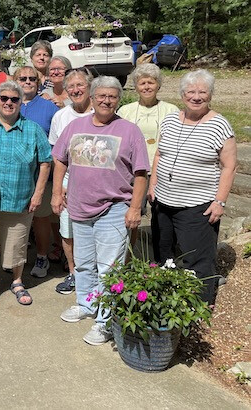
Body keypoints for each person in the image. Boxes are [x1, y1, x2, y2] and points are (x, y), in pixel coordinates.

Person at [52, 76, 150, 345]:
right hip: (79, 207)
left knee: (109, 269)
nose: (107, 100)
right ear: (92, 98)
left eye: (113, 96)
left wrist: (134, 208)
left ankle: (105, 321)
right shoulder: (75, 126)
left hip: (114, 209)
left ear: (119, 99)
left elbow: (141, 173)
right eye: (102, 96)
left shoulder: (130, 130)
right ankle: (86, 304)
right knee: (83, 264)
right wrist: (57, 192)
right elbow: (60, 159)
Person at [149, 69, 237, 306]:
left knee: (197, 260)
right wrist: (153, 184)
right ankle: (166, 299)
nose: (196, 96)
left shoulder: (219, 125)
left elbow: (229, 167)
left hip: (198, 205)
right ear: (182, 94)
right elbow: (159, 154)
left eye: (202, 92)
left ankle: (199, 306)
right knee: (163, 253)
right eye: (191, 91)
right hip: (163, 202)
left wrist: (219, 202)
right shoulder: (170, 119)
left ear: (210, 95)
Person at [0, 81, 52, 306]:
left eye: (14, 99)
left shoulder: (33, 129)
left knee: (17, 245)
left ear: (21, 102)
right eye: (4, 98)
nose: (9, 103)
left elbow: (45, 161)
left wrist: (38, 194)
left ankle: (17, 281)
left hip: (19, 200)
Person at [49, 68, 94, 295]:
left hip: (97, 187)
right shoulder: (61, 117)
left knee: (95, 233)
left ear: (89, 87)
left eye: (80, 85)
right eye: (71, 87)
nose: (76, 90)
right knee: (68, 233)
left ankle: (94, 276)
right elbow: (56, 156)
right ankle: (74, 273)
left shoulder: (101, 111)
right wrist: (59, 189)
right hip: (69, 184)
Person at [14, 66, 60, 279]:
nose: (28, 81)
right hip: (15, 175)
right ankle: (14, 258)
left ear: (39, 82)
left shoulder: (49, 108)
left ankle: (41, 255)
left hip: (42, 174)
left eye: (32, 78)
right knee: (14, 219)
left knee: (41, 218)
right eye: (22, 78)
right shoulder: (8, 103)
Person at [117, 63, 179, 221]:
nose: (146, 87)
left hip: (162, 169)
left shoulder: (171, 110)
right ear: (136, 87)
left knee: (162, 214)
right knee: (134, 210)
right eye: (142, 83)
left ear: (158, 85)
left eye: (151, 82)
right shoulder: (125, 111)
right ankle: (134, 244)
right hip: (134, 170)